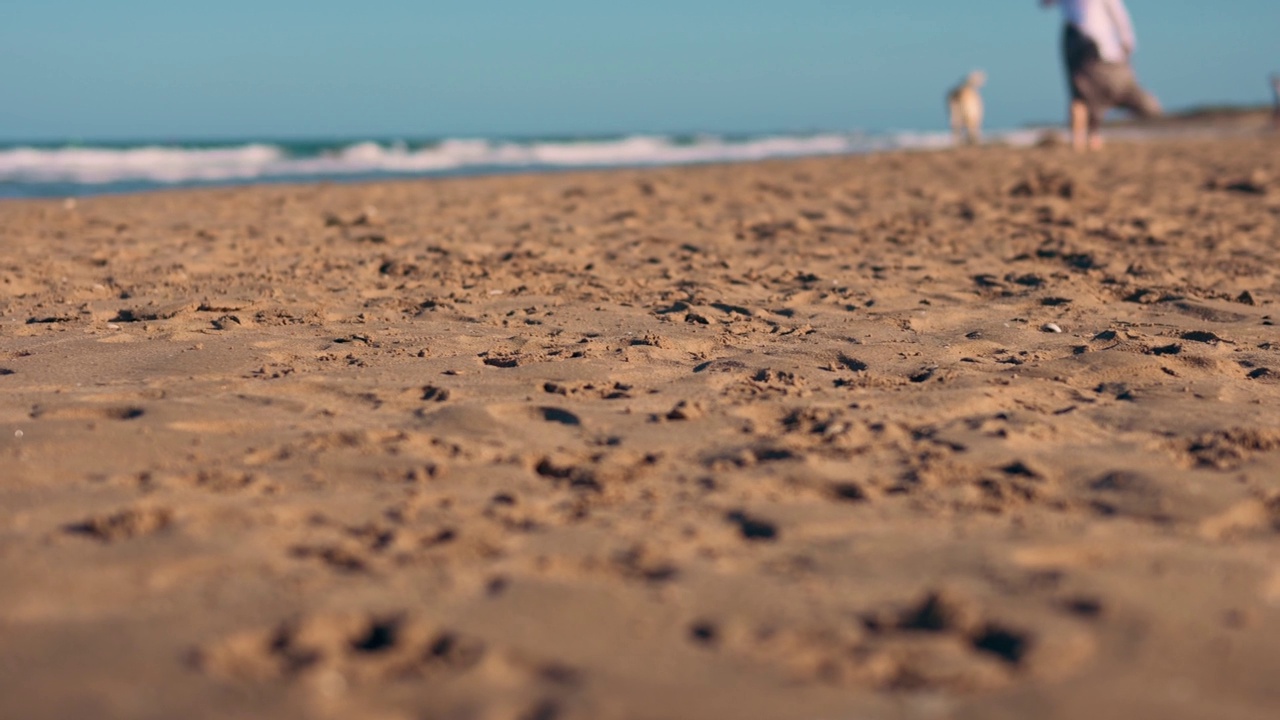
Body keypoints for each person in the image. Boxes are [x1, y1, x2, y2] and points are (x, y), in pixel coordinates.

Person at [1041, 0, 1161, 151]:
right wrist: (1127, 41)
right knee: (1084, 92)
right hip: (1084, 40)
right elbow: (1118, 13)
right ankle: (1086, 139)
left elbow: (1117, 13)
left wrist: (1127, 40)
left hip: (1085, 40)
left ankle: (1085, 139)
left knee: (1085, 93)